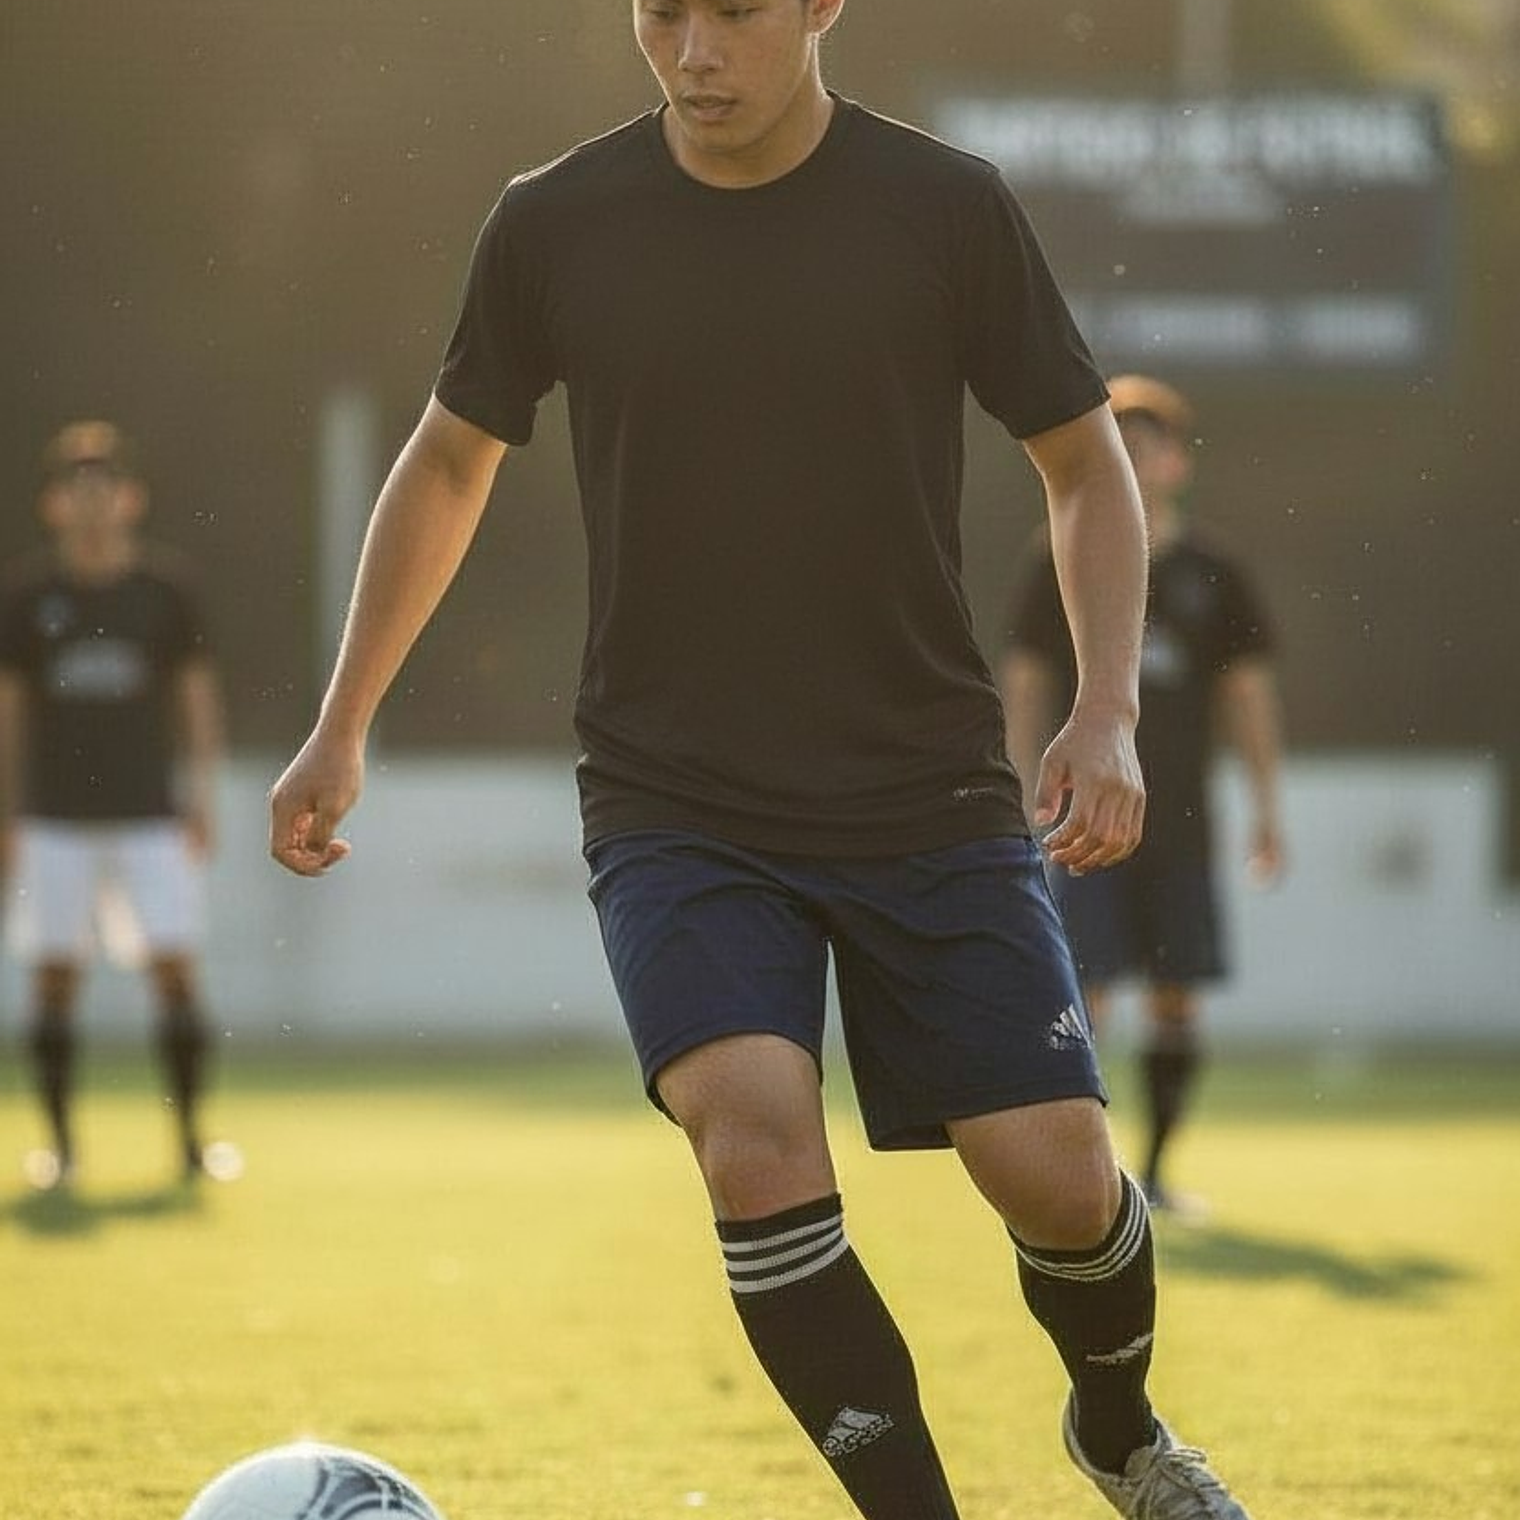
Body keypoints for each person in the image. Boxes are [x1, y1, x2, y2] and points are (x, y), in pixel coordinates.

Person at [270, 5, 1254, 1516]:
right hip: (676, 797)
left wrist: (1105, 702)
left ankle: (1120, 1433)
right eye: (662, 10)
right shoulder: (554, 221)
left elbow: (1082, 462)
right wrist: (343, 723)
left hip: (924, 783)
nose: (693, 48)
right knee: (753, 1140)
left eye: (734, 9)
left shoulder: (945, 207)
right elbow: (452, 459)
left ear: (818, 6)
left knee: (1055, 1176)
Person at [1002, 374, 1286, 1217]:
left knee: (1175, 990)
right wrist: (1024, 787)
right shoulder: (1055, 555)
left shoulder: (1215, 573)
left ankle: (1154, 1174)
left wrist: (1269, 809)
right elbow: (1026, 680)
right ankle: (1081, 1179)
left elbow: (1248, 696)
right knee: (1080, 990)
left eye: (1145, 442)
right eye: (1114, 441)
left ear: (1174, 462)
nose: (1129, 455)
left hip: (1183, 821)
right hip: (1083, 813)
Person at [1, 420, 224, 1187]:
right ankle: (60, 1151)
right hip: (53, 821)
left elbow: (196, 699)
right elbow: (10, 712)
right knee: (54, 977)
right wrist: (7, 813)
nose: (92, 506)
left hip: (149, 816)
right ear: (54, 505)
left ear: (130, 500)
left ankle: (192, 1143)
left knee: (175, 970)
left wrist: (201, 794)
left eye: (105, 490)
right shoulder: (30, 601)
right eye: (76, 492)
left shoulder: (165, 595)